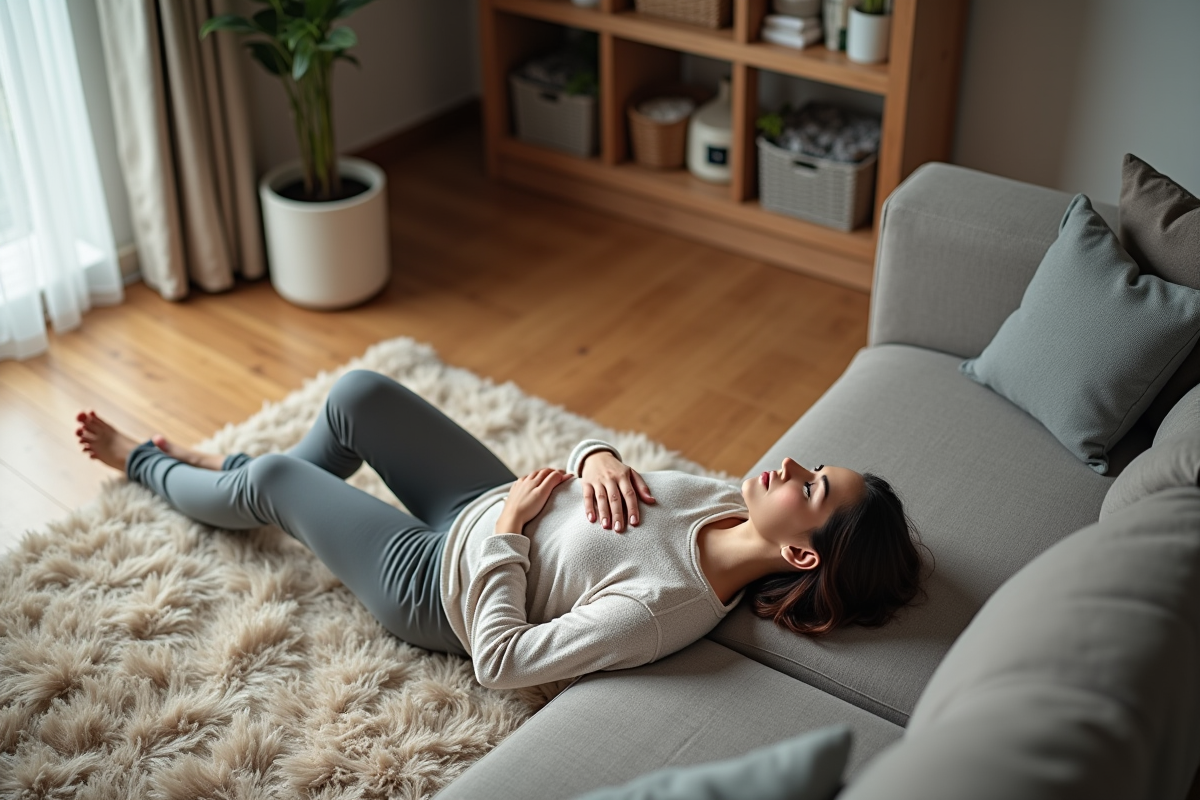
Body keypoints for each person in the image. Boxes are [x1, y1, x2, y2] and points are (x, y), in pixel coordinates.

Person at [75, 370, 924, 690]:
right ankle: (229, 476)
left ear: (801, 551)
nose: (789, 466)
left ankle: (157, 467)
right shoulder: (724, 501)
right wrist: (595, 458)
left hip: (434, 578)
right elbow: (608, 467)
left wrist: (508, 536)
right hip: (486, 496)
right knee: (358, 397)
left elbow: (503, 663)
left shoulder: (664, 608)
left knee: (273, 481)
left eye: (810, 486)